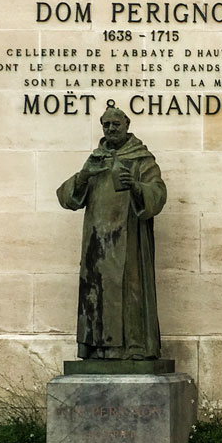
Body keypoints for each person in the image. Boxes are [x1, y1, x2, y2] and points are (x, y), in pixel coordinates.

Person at [56, 101, 167, 360]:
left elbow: (159, 194)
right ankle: (97, 350)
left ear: (127, 126)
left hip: (129, 239)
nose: (110, 128)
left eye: (115, 124)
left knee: (131, 293)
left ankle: (135, 348)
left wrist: (137, 187)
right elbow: (66, 198)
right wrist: (84, 175)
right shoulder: (96, 159)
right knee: (97, 295)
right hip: (98, 244)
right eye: (106, 124)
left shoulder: (142, 159)